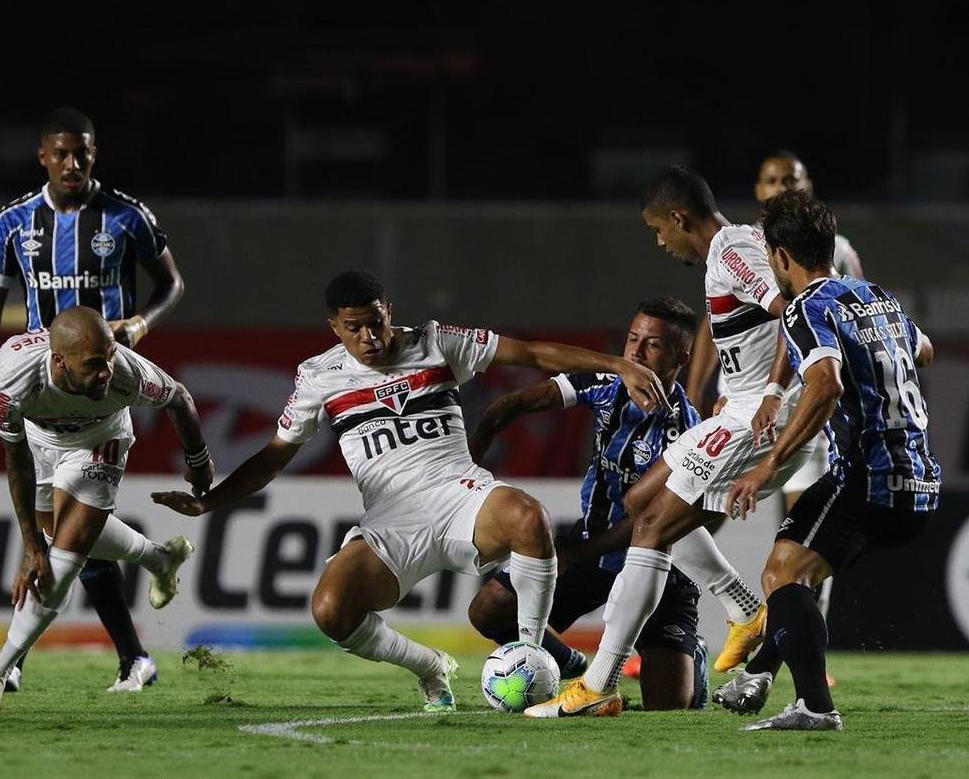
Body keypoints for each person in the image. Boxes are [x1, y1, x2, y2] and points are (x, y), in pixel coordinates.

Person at [151, 270, 668, 712]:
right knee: (331, 610)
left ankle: (531, 656)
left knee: (527, 518)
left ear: (388, 311)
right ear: (334, 328)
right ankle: (429, 666)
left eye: (376, 322)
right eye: (354, 328)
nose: (370, 337)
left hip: (459, 494)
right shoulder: (318, 377)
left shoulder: (436, 340)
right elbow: (272, 458)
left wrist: (617, 363)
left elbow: (530, 353)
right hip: (392, 522)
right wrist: (211, 500)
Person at [525, 166, 815, 718]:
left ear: (679, 218)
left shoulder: (731, 250)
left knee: (652, 524)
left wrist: (772, 391)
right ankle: (744, 609)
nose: (660, 242)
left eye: (659, 230)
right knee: (641, 503)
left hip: (764, 416)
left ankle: (599, 682)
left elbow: (794, 313)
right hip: (748, 408)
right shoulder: (738, 248)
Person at [0, 107, 186, 692]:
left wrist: (139, 323)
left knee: (65, 536)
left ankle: (15, 666)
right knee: (62, 535)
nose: (72, 163)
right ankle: (138, 641)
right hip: (40, 394)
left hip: (99, 392)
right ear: (43, 157)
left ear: (94, 154)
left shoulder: (127, 216)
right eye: (61, 153)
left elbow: (172, 283)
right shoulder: (13, 222)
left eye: (82, 152)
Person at [715, 191, 940, 731]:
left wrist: (765, 470)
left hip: (867, 475)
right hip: (921, 477)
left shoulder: (805, 307)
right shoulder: (877, 297)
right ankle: (762, 673)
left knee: (780, 573)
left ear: (782, 257)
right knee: (799, 568)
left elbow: (825, 385)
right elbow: (925, 349)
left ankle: (816, 706)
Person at [466, 297, 711, 710]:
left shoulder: (687, 432)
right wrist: (469, 468)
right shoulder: (606, 382)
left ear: (680, 356)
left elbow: (648, 518)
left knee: (668, 708)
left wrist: (581, 550)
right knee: (491, 609)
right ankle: (573, 667)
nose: (634, 352)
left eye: (651, 345)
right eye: (633, 338)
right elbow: (513, 404)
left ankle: (693, 657)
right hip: (593, 550)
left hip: (660, 568)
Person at [0, 307, 213, 711]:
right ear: (58, 361)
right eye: (94, 365)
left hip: (103, 438)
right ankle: (159, 558)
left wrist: (199, 460)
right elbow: (16, 460)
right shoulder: (10, 380)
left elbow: (179, 399)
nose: (107, 372)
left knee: (64, 559)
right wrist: (30, 545)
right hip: (40, 444)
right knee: (54, 538)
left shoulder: (126, 374)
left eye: (110, 357)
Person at [684, 150, 864, 664]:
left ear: (809, 186)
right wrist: (696, 392)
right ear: (759, 189)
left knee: (807, 535)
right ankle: (683, 633)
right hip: (742, 402)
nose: (783, 185)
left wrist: (772, 388)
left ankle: (803, 655)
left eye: (793, 178)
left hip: (802, 402)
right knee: (692, 518)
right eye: (772, 179)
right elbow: (712, 324)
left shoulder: (838, 251)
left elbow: (817, 316)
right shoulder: (748, 245)